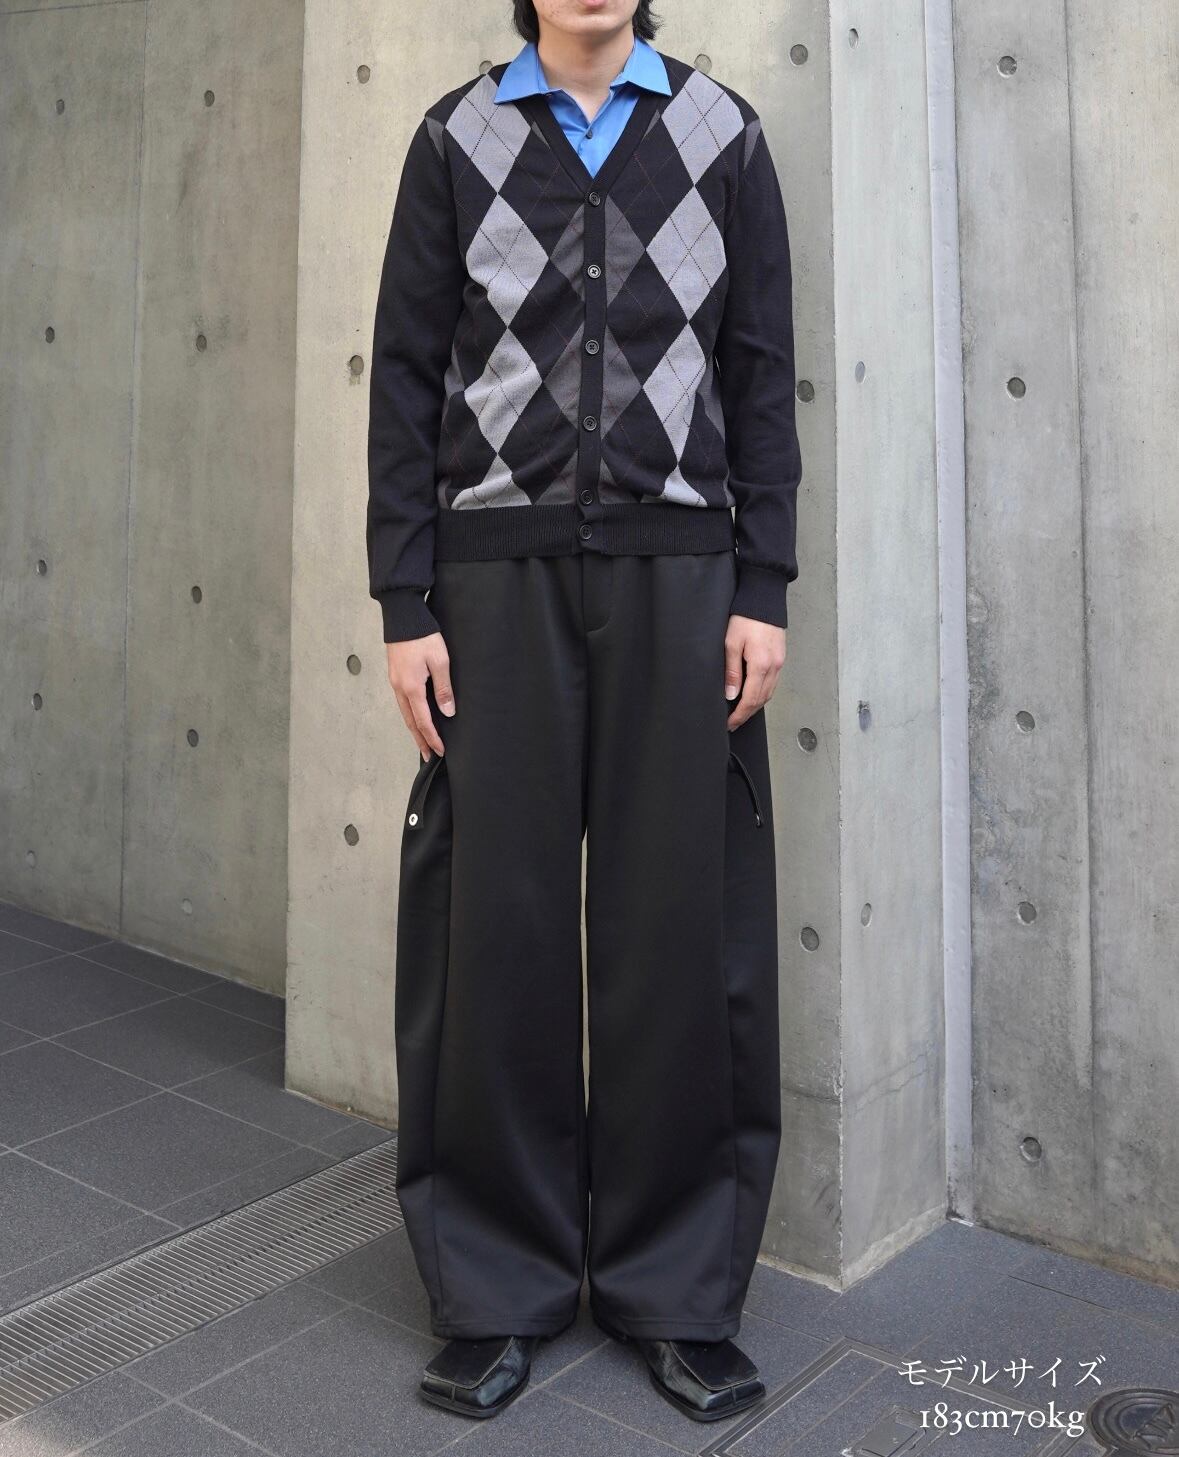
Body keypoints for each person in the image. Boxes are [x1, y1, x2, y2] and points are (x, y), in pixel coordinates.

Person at [366, 0, 802, 1424]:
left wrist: (763, 585)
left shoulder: (724, 136)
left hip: (685, 582)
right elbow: (406, 375)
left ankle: (678, 1292)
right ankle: (497, 1288)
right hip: (493, 587)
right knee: (492, 932)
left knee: (680, 932)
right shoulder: (457, 137)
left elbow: (759, 371)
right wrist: (406, 602)